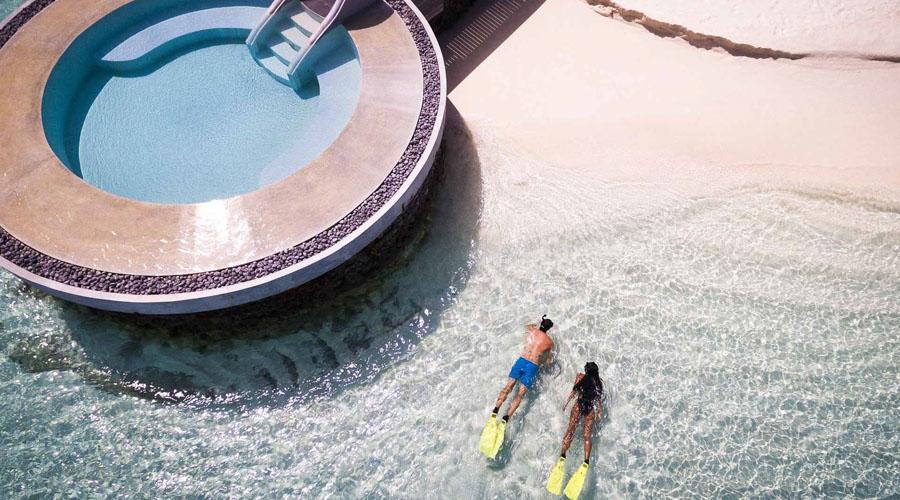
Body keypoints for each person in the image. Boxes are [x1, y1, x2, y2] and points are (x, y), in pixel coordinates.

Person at [478, 315, 556, 459]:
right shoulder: (550, 342)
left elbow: (527, 325)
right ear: (550, 329)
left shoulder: (531, 330)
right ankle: (506, 418)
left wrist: (539, 322)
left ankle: (496, 410)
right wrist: (544, 364)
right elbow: (549, 361)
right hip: (532, 366)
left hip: (521, 361)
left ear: (541, 324)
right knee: (520, 394)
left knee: (508, 387)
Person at [546, 362, 604, 498]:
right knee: (586, 436)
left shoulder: (580, 377)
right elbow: (598, 401)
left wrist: (566, 403)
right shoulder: (598, 383)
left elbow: (574, 392)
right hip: (589, 408)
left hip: (579, 405)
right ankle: (586, 462)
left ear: (586, 370)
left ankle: (562, 456)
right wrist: (599, 413)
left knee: (570, 430)